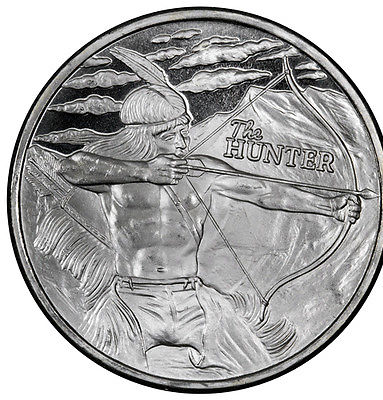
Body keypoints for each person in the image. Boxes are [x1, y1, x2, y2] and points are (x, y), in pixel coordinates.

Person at [56, 48, 361, 377]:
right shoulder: (116, 175)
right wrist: (145, 171)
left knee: (254, 366)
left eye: (183, 131)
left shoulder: (201, 171)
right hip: (132, 303)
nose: (181, 142)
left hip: (194, 301)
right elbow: (69, 167)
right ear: (141, 137)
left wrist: (331, 206)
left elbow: (265, 192)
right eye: (168, 135)